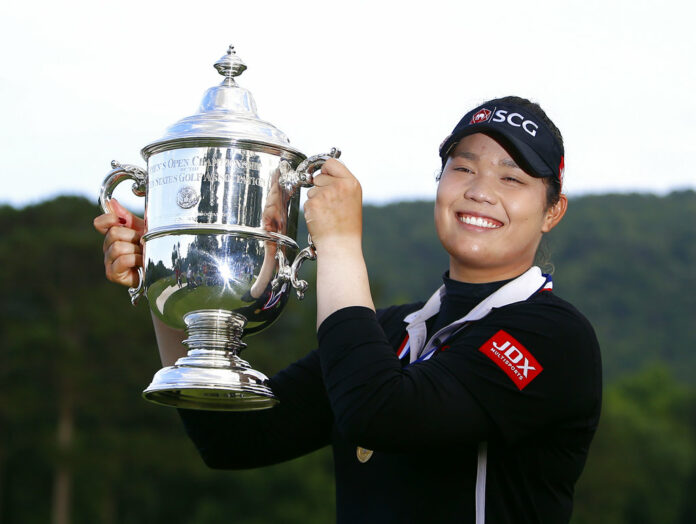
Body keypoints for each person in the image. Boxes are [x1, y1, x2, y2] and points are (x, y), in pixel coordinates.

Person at [94, 96, 602, 523]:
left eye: (511, 179)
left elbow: (380, 414)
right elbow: (230, 440)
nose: (480, 190)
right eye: (463, 167)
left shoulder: (553, 336)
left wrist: (337, 243)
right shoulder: (391, 333)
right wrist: (171, 282)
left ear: (552, 211)